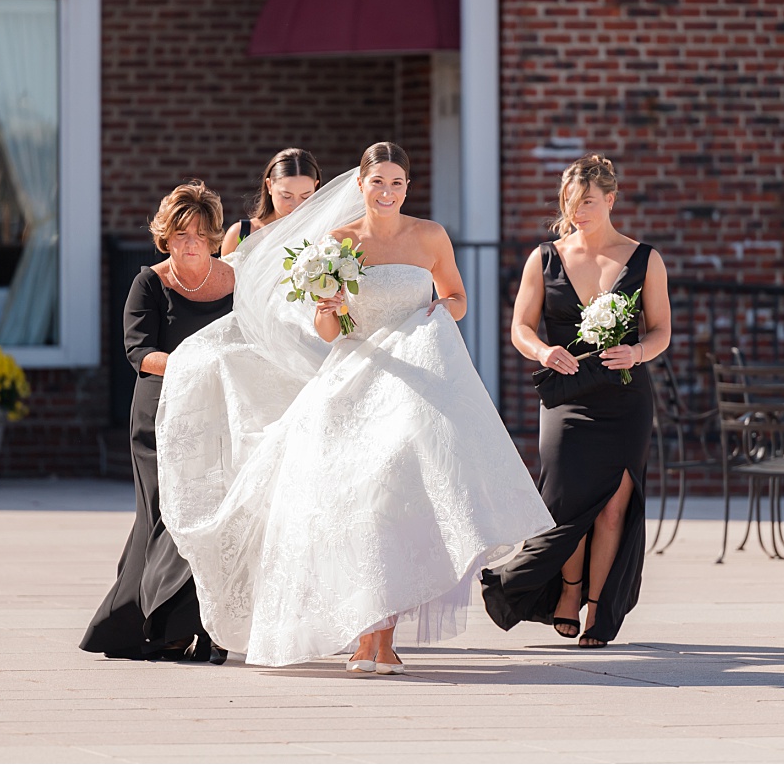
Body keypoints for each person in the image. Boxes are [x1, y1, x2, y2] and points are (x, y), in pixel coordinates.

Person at [153, 142, 553, 671]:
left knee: (390, 494)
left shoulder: (430, 236)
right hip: (352, 375)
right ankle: (368, 637)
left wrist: (439, 309)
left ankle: (380, 638)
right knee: (353, 501)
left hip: (413, 378)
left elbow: (457, 299)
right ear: (359, 185)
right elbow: (328, 330)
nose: (387, 192)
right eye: (377, 182)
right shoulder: (336, 242)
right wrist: (329, 308)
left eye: (396, 183)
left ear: (407, 187)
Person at [480, 154, 671, 648]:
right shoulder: (544, 257)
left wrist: (638, 352)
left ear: (610, 200)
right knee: (565, 509)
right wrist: (545, 350)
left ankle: (598, 612)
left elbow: (662, 331)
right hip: (566, 400)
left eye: (587, 201)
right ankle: (566, 591)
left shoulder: (645, 258)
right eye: (570, 201)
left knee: (611, 511)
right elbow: (522, 327)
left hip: (624, 400)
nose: (577, 210)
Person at [81, 181, 235, 665]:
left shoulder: (236, 280)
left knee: (213, 516)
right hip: (160, 417)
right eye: (180, 234)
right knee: (166, 517)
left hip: (220, 413)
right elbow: (138, 352)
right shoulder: (150, 282)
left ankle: (192, 625)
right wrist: (196, 364)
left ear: (213, 236)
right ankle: (156, 628)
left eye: (200, 233)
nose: (190, 243)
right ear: (165, 237)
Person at [219, 147, 322, 256]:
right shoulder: (241, 233)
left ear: (315, 187)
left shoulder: (322, 233)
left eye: (305, 196)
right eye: (286, 196)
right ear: (269, 186)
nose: (296, 205)